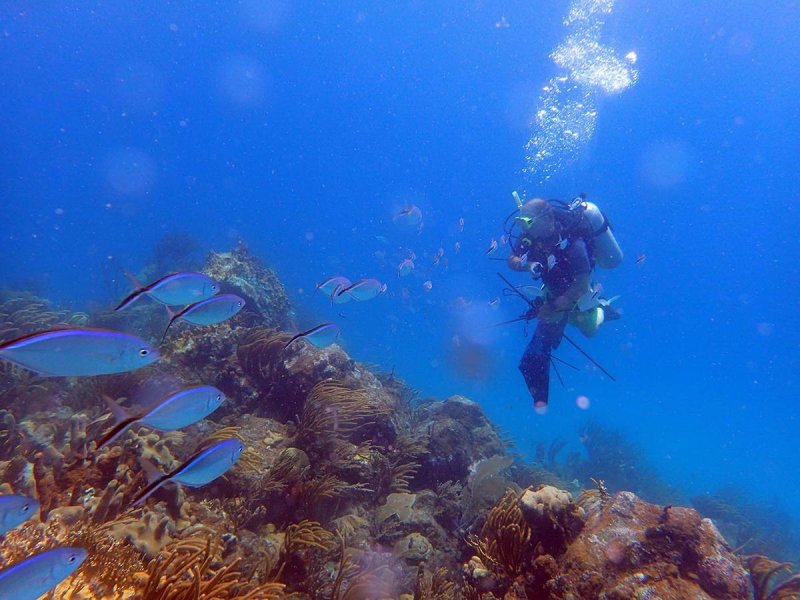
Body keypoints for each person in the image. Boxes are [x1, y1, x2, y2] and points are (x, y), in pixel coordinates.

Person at [506, 194, 623, 408]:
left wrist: (555, 308)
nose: (524, 228)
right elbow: (511, 259)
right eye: (521, 222)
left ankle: (603, 311)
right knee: (533, 357)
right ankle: (540, 403)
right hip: (552, 291)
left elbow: (580, 284)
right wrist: (527, 265)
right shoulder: (529, 237)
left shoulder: (573, 243)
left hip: (576, 293)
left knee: (588, 329)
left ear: (548, 220)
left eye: (528, 222)